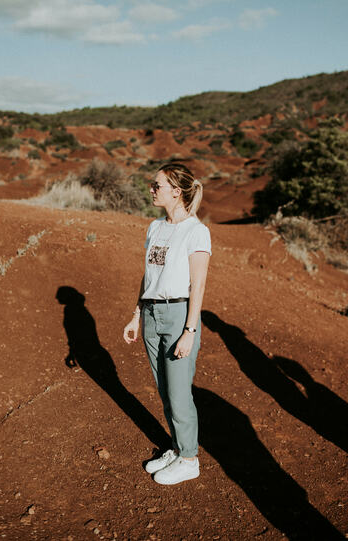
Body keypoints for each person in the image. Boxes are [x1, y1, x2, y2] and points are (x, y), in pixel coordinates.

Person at [123, 162, 211, 485]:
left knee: (179, 392)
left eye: (156, 185)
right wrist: (136, 314)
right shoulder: (154, 228)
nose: (151, 189)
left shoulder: (196, 231)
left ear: (177, 191)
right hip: (152, 315)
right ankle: (177, 447)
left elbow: (198, 286)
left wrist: (189, 331)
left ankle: (190, 459)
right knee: (164, 390)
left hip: (179, 316)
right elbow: (149, 276)